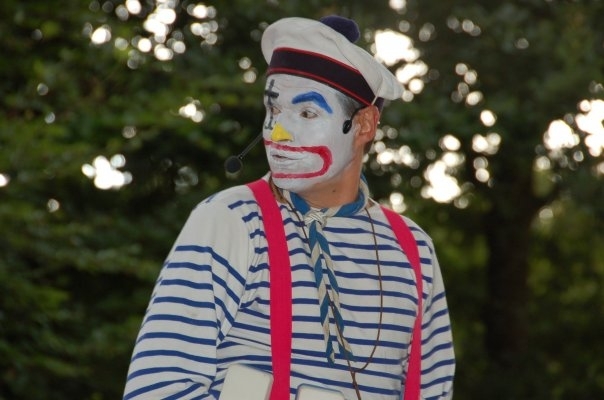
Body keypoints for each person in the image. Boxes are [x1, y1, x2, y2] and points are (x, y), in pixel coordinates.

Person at [123, 15, 455, 400]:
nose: (276, 132)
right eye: (274, 110)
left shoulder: (414, 251)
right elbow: (156, 388)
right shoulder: (232, 220)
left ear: (364, 124)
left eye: (307, 113)